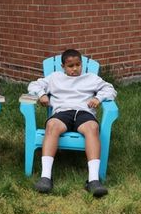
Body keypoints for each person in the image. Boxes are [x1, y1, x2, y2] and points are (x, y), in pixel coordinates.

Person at [27, 49, 117, 197]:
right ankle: (46, 177)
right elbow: (33, 85)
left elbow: (110, 89)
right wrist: (42, 94)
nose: (75, 69)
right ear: (63, 66)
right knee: (52, 126)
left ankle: (93, 180)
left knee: (93, 128)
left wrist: (98, 98)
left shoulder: (91, 78)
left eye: (78, 65)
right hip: (63, 112)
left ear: (81, 64)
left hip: (84, 112)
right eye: (70, 66)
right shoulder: (55, 78)